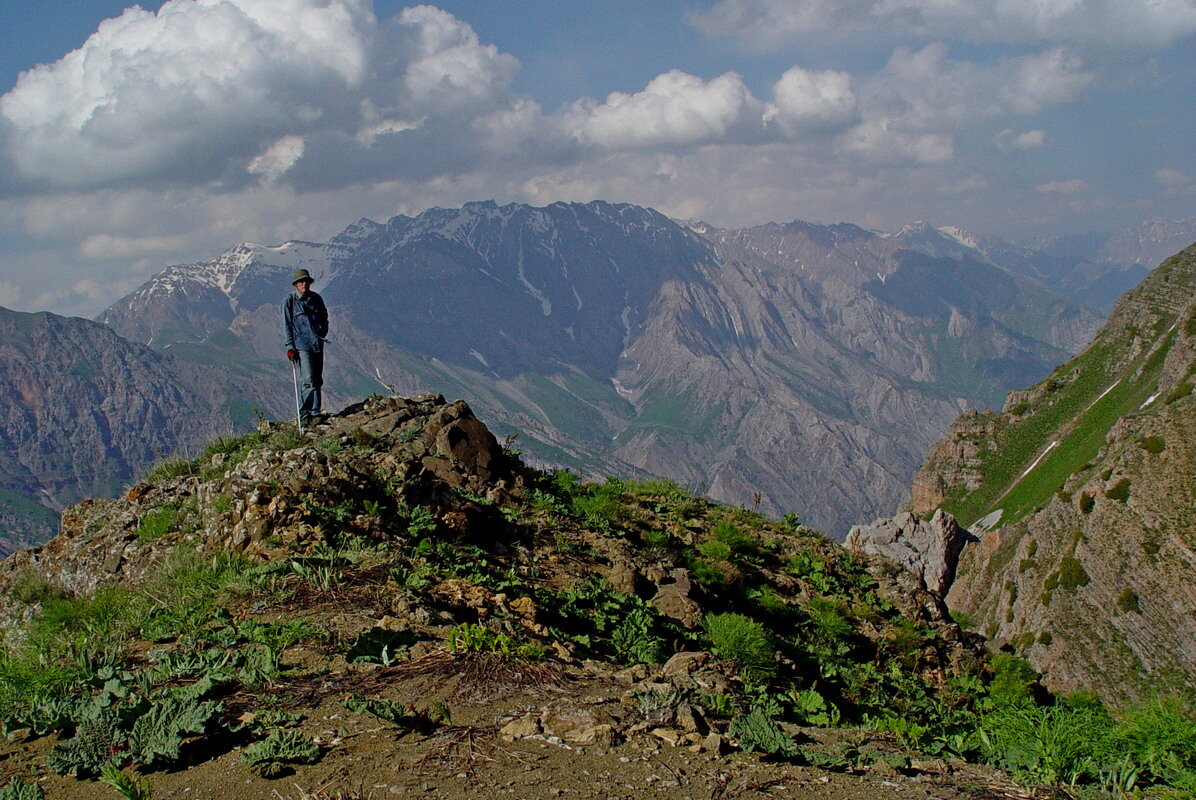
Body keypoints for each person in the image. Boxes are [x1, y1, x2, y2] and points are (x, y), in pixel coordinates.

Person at [282, 268, 329, 424]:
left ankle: (315, 412)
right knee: (308, 379)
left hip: (317, 343)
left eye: (306, 281)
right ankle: (304, 416)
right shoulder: (289, 301)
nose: (304, 284)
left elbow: (324, 317)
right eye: (301, 281)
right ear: (296, 284)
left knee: (317, 378)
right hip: (301, 345)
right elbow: (286, 325)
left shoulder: (317, 299)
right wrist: (290, 346)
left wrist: (322, 331)